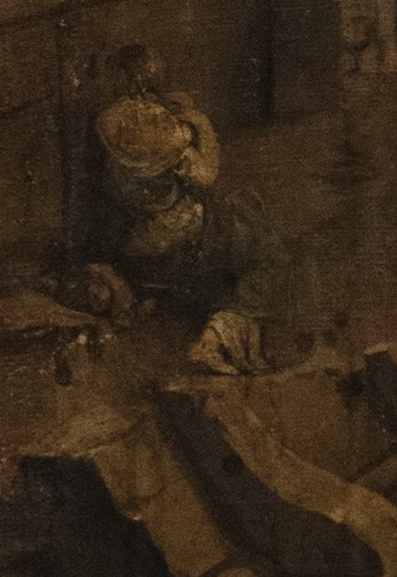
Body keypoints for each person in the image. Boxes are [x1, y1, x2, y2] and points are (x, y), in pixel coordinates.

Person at [92, 44, 278, 373]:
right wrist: (195, 123)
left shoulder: (107, 122)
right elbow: (206, 174)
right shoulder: (162, 126)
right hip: (173, 236)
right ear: (143, 80)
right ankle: (218, 336)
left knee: (237, 214)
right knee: (260, 238)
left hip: (126, 238)